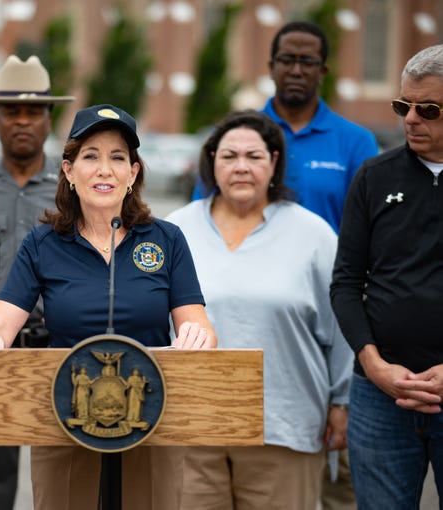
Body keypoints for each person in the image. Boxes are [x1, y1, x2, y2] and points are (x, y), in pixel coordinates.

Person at [0, 103, 216, 510]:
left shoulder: (167, 239)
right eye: (91, 156)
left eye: (118, 158)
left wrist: (197, 335)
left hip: (150, 416)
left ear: (133, 173)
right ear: (68, 171)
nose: (104, 169)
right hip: (64, 414)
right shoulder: (42, 243)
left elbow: (198, 326)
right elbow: (0, 325)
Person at [167, 110, 353, 509]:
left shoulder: (314, 235)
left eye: (254, 156)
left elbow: (341, 327)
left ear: (274, 163)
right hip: (193, 426)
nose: (241, 167)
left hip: (284, 426)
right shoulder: (174, 230)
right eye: (229, 156)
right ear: (211, 162)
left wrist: (342, 403)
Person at [330, 44, 443, 509]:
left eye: (429, 109)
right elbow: (345, 282)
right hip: (380, 397)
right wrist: (374, 366)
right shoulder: (374, 177)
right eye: (403, 106)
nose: (411, 119)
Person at [0, 54, 74, 510]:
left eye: (35, 112)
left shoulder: (74, 186)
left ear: (50, 119)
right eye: (12, 112)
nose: (23, 122)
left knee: (68, 469)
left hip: (60, 343)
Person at [192, 21, 378, 235]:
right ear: (271, 68)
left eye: (307, 62)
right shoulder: (236, 137)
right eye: (287, 60)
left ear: (323, 71)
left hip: (327, 267)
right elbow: (201, 215)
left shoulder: (356, 142)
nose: (296, 71)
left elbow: (368, 224)